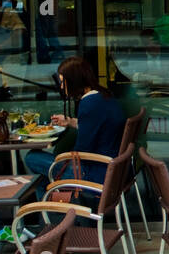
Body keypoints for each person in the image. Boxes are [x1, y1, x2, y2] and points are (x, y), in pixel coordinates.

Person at [24, 56, 124, 186]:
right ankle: (49, 202)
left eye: (62, 81)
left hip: (93, 173)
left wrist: (64, 157)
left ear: (73, 81)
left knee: (32, 157)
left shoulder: (89, 103)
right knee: (46, 172)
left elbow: (82, 149)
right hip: (112, 168)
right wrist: (71, 122)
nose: (61, 86)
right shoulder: (104, 95)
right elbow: (98, 126)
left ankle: (48, 204)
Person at [29, 0, 62, 64]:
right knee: (41, 35)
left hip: (46, 13)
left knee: (51, 33)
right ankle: (44, 56)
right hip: (39, 13)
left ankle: (56, 53)